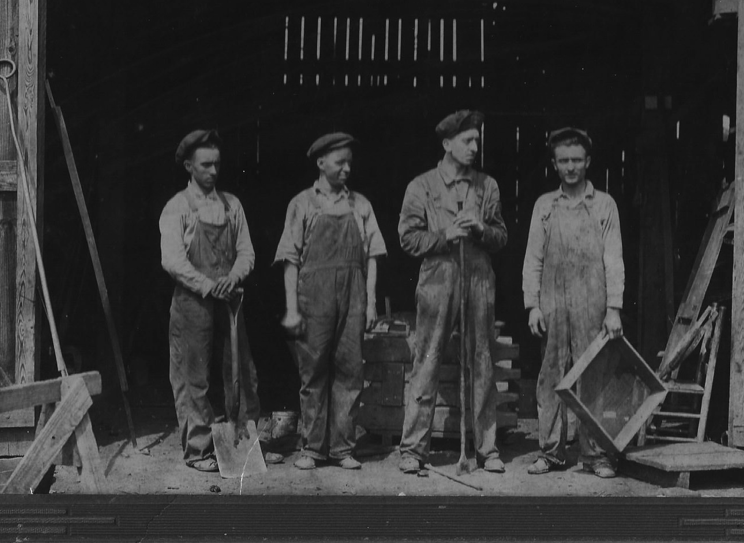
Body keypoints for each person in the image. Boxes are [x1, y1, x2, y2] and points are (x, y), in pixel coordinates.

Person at [397, 110, 508, 474]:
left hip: (478, 279)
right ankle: (413, 450)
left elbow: (501, 237)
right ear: (447, 144)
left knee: (482, 363)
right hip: (438, 279)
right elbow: (408, 238)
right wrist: (445, 236)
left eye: (477, 140)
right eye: (467, 141)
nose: (475, 147)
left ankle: (486, 450)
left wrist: (479, 230)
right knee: (426, 361)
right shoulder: (422, 186)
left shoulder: (486, 186)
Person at [159, 129, 275, 472]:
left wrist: (232, 278)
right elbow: (172, 260)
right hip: (193, 301)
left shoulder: (231, 204)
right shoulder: (177, 207)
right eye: (206, 165)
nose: (213, 171)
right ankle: (198, 450)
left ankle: (244, 445)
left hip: (229, 301)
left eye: (217, 165)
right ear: (188, 166)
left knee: (242, 374)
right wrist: (209, 285)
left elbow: (246, 251)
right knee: (193, 377)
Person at [274, 132, 387, 470]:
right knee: (313, 373)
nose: (347, 169)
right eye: (340, 163)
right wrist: (292, 309)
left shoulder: (361, 205)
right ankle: (312, 448)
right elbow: (290, 260)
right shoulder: (301, 204)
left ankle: (342, 449)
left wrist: (370, 304)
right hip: (313, 299)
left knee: (350, 371)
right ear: (321, 163)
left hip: (353, 296)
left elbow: (373, 257)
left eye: (350, 162)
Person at [521, 127, 625, 478]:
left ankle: (596, 455)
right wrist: (532, 304)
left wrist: (614, 308)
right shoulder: (544, 207)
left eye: (577, 160)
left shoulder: (604, 205)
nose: (570, 167)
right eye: (564, 160)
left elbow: (614, 258)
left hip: (592, 304)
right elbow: (533, 258)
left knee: (591, 378)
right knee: (551, 374)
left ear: (588, 162)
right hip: (552, 305)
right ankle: (550, 452)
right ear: (554, 164)